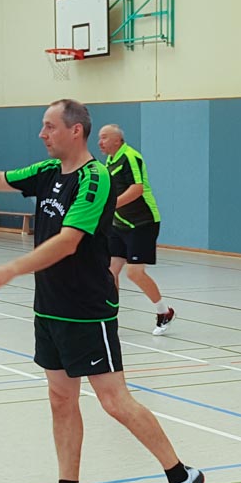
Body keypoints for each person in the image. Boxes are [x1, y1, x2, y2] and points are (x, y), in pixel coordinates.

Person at [0, 99, 205, 483]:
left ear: (75, 131)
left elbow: (69, 242)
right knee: (60, 398)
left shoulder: (94, 180)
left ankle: (182, 477)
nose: (41, 134)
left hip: (87, 309)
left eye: (49, 127)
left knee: (114, 401)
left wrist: (9, 269)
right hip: (50, 306)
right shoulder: (48, 172)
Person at [97, 124, 175, 335]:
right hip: (119, 224)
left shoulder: (130, 157)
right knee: (110, 271)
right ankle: (109, 318)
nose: (99, 142)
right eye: (99, 138)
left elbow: (137, 189)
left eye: (104, 137)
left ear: (117, 140)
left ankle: (164, 311)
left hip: (142, 223)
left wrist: (111, 205)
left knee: (134, 272)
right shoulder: (110, 160)